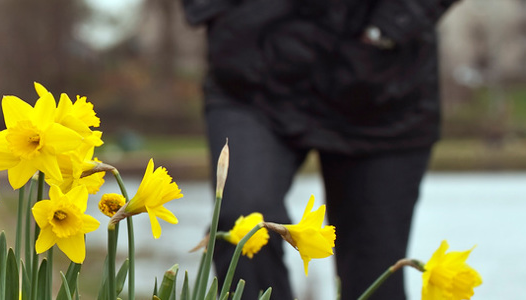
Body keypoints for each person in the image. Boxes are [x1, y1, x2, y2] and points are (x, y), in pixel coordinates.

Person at [180, 0, 459, 299]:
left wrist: (392, 25)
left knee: (374, 275)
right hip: (253, 70)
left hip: (382, 85)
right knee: (244, 222)